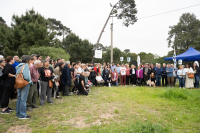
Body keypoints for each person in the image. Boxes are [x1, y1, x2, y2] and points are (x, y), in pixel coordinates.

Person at [15, 55, 32, 119]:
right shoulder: (26, 65)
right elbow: (27, 76)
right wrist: (30, 81)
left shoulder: (19, 65)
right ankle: (22, 115)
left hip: (18, 83)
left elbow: (16, 75)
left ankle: (18, 113)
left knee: (19, 98)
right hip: (24, 83)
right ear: (27, 60)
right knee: (23, 99)